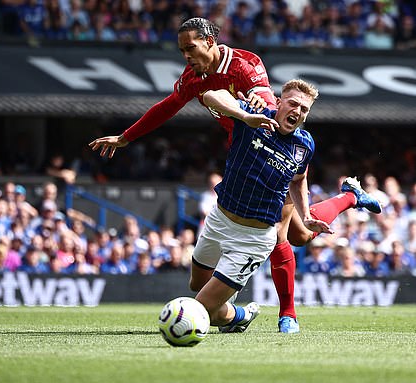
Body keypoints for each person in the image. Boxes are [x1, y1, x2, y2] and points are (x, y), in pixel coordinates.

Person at [88, 17, 382, 333]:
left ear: (210, 43)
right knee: (299, 234)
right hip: (243, 157)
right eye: (182, 50)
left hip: (272, 155)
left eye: (190, 48)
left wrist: (260, 104)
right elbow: (170, 106)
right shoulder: (193, 77)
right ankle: (350, 195)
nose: (185, 56)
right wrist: (126, 137)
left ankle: (288, 315)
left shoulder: (244, 64)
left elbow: (269, 104)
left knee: (283, 237)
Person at [95, 76, 332, 331]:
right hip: (219, 220)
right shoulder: (253, 114)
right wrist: (243, 117)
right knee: (197, 286)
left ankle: (186, 330)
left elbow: (299, 179)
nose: (297, 111)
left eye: (304, 109)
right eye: (293, 103)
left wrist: (305, 214)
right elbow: (211, 95)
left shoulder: (304, 144)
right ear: (279, 101)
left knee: (199, 308)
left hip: (253, 238)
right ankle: (240, 315)